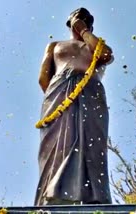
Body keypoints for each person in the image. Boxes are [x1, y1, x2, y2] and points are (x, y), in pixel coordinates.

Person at [34, 8, 114, 206]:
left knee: (91, 142)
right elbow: (43, 78)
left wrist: (85, 32)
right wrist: (60, 94)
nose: (80, 19)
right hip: (59, 94)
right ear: (69, 22)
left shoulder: (95, 45)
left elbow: (105, 54)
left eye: (85, 18)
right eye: (77, 17)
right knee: (59, 142)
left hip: (90, 92)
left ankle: (94, 196)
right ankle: (53, 193)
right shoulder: (54, 46)